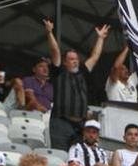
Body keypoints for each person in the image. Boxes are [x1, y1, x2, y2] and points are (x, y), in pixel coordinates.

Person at [45, 19, 109, 151]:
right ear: (65, 62)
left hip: (80, 124)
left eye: (77, 59)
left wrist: (101, 38)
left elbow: (95, 56)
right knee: (61, 155)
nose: (75, 62)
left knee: (79, 157)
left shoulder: (83, 73)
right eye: (72, 59)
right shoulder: (59, 72)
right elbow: (55, 50)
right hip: (61, 122)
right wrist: (49, 32)